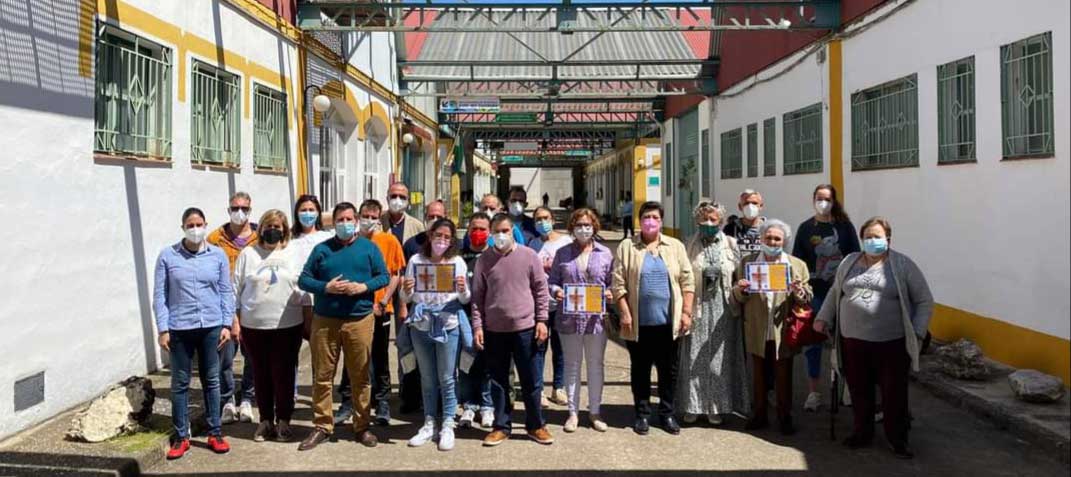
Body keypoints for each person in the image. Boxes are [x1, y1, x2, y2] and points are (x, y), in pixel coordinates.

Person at [814, 217, 933, 459]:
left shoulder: (902, 265)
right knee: (859, 390)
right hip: (853, 341)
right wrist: (822, 318)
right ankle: (862, 432)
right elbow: (835, 292)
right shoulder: (849, 261)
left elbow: (924, 300)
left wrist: (918, 331)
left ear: (888, 239)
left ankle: (897, 438)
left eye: (877, 236)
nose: (872, 241)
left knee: (893, 393)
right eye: (868, 236)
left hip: (891, 343)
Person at [297, 202, 391, 451]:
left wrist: (363, 287)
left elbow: (384, 276)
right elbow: (304, 279)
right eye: (340, 219)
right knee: (323, 376)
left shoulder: (368, 248)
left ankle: (362, 426)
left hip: (359, 319)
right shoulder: (322, 249)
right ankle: (322, 425)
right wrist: (325, 287)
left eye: (350, 219)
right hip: (326, 320)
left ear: (356, 221)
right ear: (334, 222)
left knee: (360, 375)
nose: (345, 223)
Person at [153, 207, 234, 459]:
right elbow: (159, 295)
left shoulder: (217, 255)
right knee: (180, 384)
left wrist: (226, 324)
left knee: (212, 380)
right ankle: (181, 436)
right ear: (183, 227)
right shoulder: (167, 256)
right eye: (191, 224)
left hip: (211, 326)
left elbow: (225, 291)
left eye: (199, 224)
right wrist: (163, 329)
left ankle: (215, 432)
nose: (196, 229)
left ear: (206, 225)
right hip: (179, 328)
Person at [611, 201, 695, 436]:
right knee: (640, 370)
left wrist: (686, 312)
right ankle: (642, 415)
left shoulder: (675, 246)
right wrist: (625, 312)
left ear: (661, 221)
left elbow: (687, 281)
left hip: (669, 323)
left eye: (655, 217)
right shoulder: (627, 247)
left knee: (669, 371)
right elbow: (618, 283)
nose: (650, 221)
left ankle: (667, 413)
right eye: (646, 217)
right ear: (639, 220)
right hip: (638, 323)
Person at [471, 213, 554, 446]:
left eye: (505, 231)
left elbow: (540, 290)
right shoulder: (484, 260)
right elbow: (477, 297)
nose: (501, 235)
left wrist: (542, 320)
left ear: (513, 232)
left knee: (532, 380)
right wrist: (478, 325)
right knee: (498, 382)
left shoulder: (529, 256)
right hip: (495, 330)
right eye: (496, 231)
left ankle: (536, 425)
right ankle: (501, 426)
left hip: (526, 328)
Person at [732, 219, 812, 436]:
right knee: (757, 373)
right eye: (768, 238)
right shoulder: (748, 262)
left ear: (784, 241)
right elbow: (736, 295)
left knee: (783, 374)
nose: (773, 242)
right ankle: (759, 415)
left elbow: (806, 298)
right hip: (757, 326)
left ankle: (785, 416)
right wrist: (742, 289)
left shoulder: (796, 265)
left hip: (782, 327)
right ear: (761, 239)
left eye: (777, 239)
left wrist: (798, 291)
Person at [399, 218, 472, 451]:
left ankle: (448, 423)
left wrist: (462, 289)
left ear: (452, 240)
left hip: (448, 325)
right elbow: (406, 298)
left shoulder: (457, 262)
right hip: (421, 325)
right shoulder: (416, 260)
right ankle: (429, 422)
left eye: (447, 237)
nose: (441, 240)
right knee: (427, 378)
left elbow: (465, 299)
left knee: (447, 377)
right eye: (438, 235)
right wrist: (406, 290)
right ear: (430, 236)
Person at [233, 210, 304, 443]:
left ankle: (284, 420)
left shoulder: (293, 252)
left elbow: (303, 287)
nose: (273, 230)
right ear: (261, 228)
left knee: (283, 374)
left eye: (278, 226)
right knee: (260, 374)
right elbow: (235, 288)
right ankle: (265, 421)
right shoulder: (248, 254)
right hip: (254, 325)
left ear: (285, 229)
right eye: (268, 225)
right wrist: (235, 321)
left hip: (287, 324)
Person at [335, 200, 406, 426]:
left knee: (379, 357)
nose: (369, 221)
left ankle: (382, 401)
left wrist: (384, 301)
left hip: (379, 309)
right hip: (353, 310)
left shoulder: (389, 240)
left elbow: (395, 273)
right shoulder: (350, 242)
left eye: (374, 217)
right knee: (351, 357)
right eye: (365, 216)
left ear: (380, 218)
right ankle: (347, 402)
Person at [679, 200, 750, 425]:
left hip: (724, 306)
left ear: (720, 220)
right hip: (698, 305)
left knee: (719, 358)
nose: (708, 223)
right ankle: (694, 405)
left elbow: (739, 274)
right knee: (694, 356)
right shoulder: (688, 244)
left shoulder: (731, 244)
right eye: (704, 219)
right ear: (697, 220)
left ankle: (717, 406)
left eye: (713, 219)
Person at [792, 184, 860, 412]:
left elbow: (855, 257)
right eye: (820, 198)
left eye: (828, 199)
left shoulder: (845, 227)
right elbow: (798, 263)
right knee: (813, 342)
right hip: (815, 293)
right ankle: (814, 391)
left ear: (834, 201)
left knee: (846, 341)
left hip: (842, 293)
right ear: (813, 200)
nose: (823, 203)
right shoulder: (805, 228)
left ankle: (848, 389)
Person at [547, 208, 613, 432]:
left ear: (594, 226)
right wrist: (556, 291)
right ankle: (573, 413)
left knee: (595, 365)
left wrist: (610, 293)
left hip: (596, 320)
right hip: (569, 319)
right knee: (572, 365)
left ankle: (595, 412)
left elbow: (613, 281)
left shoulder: (605, 253)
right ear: (572, 228)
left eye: (587, 225)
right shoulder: (563, 253)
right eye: (579, 225)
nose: (583, 229)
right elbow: (553, 280)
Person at [207, 191, 258, 425]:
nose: (240, 213)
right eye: (235, 208)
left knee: (252, 356)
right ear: (229, 210)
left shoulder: (259, 237)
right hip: (222, 308)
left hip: (252, 306)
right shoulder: (215, 238)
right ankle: (227, 401)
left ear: (250, 210)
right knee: (225, 357)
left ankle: (247, 398)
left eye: (244, 208)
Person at [529, 206, 571, 406]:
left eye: (545, 218)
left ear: (553, 220)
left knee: (560, 348)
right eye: (538, 219)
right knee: (538, 349)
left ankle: (558, 387)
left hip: (563, 303)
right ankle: (539, 391)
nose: (542, 222)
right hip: (540, 304)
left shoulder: (565, 242)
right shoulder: (532, 245)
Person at [457, 213, 495, 429]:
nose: (478, 232)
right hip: (463, 317)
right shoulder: (459, 256)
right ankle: (469, 405)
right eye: (474, 228)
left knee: (488, 364)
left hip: (489, 318)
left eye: (482, 228)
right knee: (466, 364)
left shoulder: (493, 256)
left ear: (489, 232)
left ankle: (487, 405)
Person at [290, 195, 335, 340]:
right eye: (303, 210)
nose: (307, 213)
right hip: (293, 299)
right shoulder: (289, 239)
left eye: (311, 210)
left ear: (318, 213)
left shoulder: (327, 238)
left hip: (319, 298)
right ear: (296, 213)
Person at [722, 189, 767, 257]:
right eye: (746, 203)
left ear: (761, 206)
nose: (750, 206)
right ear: (740, 207)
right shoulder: (730, 229)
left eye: (754, 203)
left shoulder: (769, 229)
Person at [381, 182, 426, 247]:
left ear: (408, 201)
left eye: (402, 197)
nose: (397, 200)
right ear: (387, 199)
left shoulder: (417, 226)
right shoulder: (378, 223)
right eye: (394, 196)